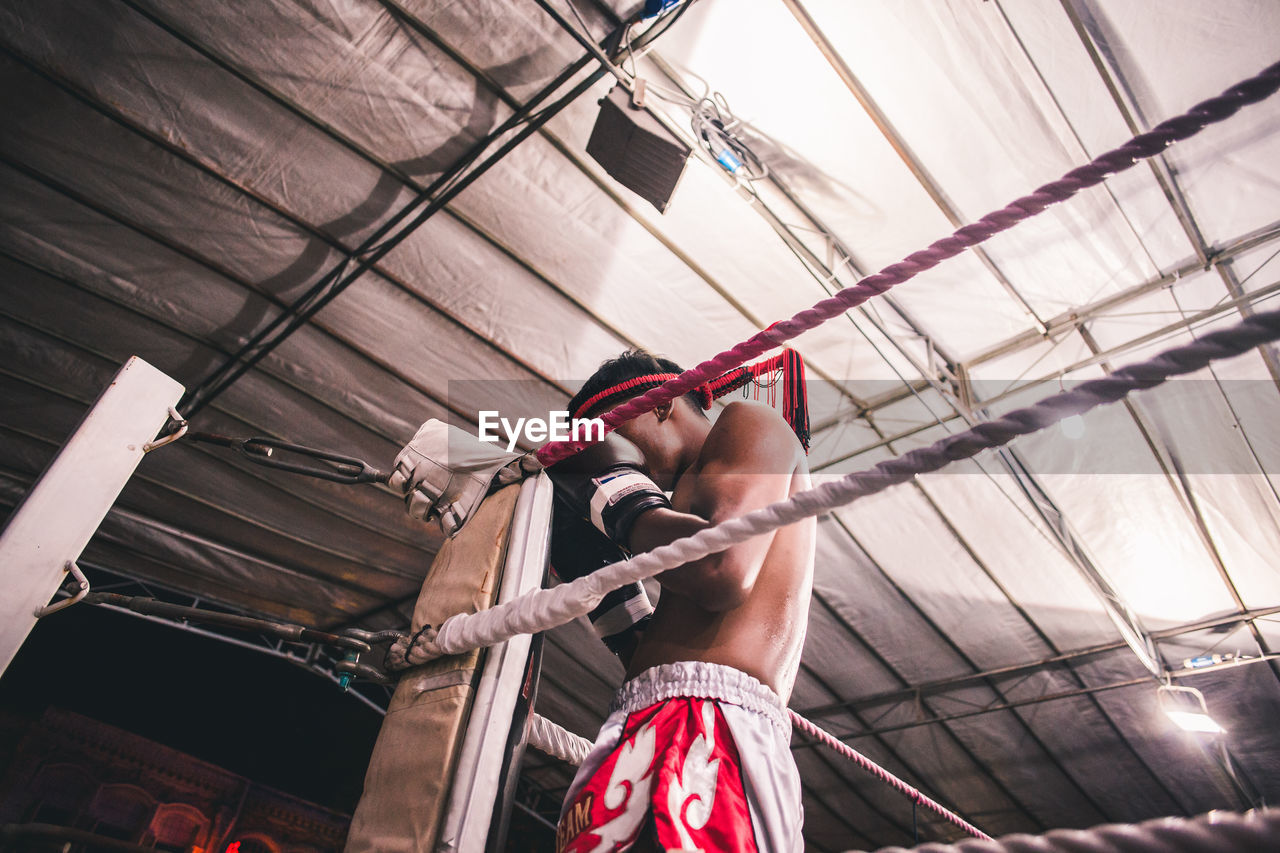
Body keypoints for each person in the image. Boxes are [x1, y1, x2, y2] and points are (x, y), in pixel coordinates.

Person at [547, 350, 815, 852]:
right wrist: (601, 577)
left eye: (611, 436)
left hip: (709, 729)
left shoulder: (749, 423)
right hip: (646, 716)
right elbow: (651, 654)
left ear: (661, 405)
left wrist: (621, 500)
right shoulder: (682, 510)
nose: (612, 454)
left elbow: (722, 570)